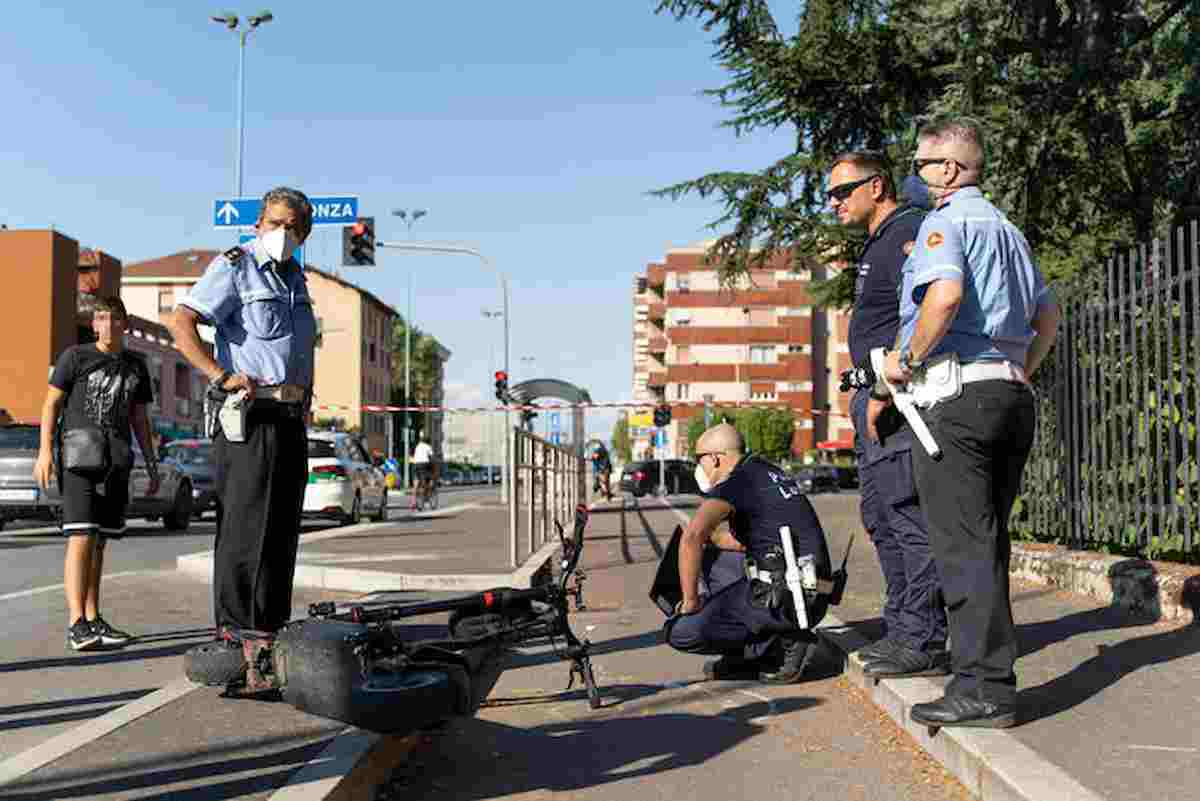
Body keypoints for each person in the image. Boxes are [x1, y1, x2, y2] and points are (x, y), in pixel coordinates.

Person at [884, 116, 1059, 728]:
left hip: (958, 400)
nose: (918, 174)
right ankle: (988, 680)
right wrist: (1020, 369)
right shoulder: (1010, 232)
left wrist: (905, 362)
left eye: (924, 164)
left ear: (951, 170)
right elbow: (1048, 316)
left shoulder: (946, 222)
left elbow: (945, 296)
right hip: (1010, 396)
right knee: (989, 545)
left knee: (963, 549)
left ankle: (983, 689)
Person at [169, 186, 317, 664]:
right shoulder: (237, 265)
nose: (283, 233)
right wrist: (219, 374)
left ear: (304, 233)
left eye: (293, 227)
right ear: (258, 224)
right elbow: (182, 321)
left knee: (280, 532)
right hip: (250, 416)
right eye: (275, 223)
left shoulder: (297, 277)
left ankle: (270, 633)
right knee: (246, 529)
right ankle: (238, 640)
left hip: (290, 415)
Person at [827, 151, 949, 679]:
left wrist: (884, 382)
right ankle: (902, 628)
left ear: (876, 186)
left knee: (905, 516)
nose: (833, 203)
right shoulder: (879, 241)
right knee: (880, 518)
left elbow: (921, 310)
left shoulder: (911, 230)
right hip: (872, 395)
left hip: (895, 397)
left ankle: (922, 637)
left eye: (841, 192)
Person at [663, 423, 834, 684]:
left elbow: (691, 538)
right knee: (712, 558)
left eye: (700, 460)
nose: (700, 468)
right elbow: (743, 541)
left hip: (787, 599)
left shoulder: (735, 481)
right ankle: (753, 653)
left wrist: (690, 601)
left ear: (715, 458)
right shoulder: (767, 472)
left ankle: (786, 643)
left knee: (681, 631)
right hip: (815, 591)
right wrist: (712, 539)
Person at [34, 296, 157, 651]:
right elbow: (51, 404)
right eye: (101, 318)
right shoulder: (76, 357)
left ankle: (93, 618)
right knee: (81, 537)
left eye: (114, 318)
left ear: (125, 323)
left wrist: (149, 462)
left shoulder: (136, 364)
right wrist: (45, 453)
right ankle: (76, 623)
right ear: (94, 325)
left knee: (100, 542)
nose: (107, 325)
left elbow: (139, 419)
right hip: (77, 457)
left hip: (115, 459)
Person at [410, 434, 435, 508]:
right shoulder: (428, 447)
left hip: (415, 465)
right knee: (426, 481)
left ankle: (413, 501)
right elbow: (432, 458)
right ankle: (426, 500)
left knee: (416, 483)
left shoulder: (417, 446)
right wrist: (434, 468)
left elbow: (411, 456)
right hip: (424, 465)